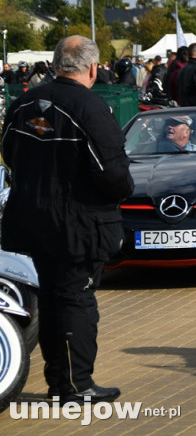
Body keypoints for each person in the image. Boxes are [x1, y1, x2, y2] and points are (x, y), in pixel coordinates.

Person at [1, 35, 134, 404]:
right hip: (79, 224)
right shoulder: (90, 107)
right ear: (93, 68)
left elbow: (9, 153)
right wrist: (121, 191)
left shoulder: (24, 103)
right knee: (75, 300)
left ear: (58, 62)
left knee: (53, 298)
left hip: (33, 220)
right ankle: (76, 386)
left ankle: (61, 382)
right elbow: (114, 174)